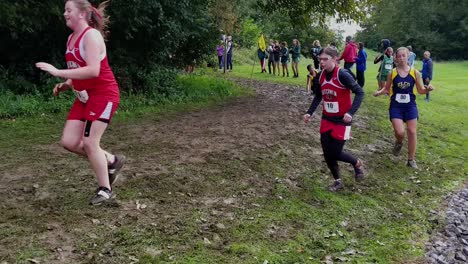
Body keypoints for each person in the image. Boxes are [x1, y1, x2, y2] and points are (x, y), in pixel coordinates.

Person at [35, 0, 125, 205]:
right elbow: (79, 67)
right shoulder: (70, 39)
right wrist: (67, 83)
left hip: (103, 94)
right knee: (68, 142)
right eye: (64, 10)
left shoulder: (91, 36)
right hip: (84, 96)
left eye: (69, 10)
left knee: (90, 143)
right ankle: (111, 161)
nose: (65, 14)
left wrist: (58, 72)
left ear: (83, 14)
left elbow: (94, 69)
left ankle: (106, 190)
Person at [303, 47, 365, 192]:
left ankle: (356, 163)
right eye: (320, 60)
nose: (322, 62)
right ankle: (337, 181)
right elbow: (319, 95)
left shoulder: (343, 74)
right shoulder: (320, 76)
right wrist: (310, 112)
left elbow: (360, 93)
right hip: (327, 119)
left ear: (335, 59)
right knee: (326, 152)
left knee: (335, 152)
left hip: (342, 121)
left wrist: (351, 112)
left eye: (325, 59)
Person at [373, 47, 434, 169]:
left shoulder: (415, 72)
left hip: (410, 106)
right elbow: (387, 88)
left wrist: (427, 89)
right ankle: (399, 142)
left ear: (408, 57)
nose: (401, 58)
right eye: (399, 56)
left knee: (412, 131)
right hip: (396, 106)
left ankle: (411, 160)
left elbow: (420, 90)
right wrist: (379, 92)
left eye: (403, 56)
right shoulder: (393, 73)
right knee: (400, 132)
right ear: (396, 57)